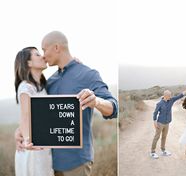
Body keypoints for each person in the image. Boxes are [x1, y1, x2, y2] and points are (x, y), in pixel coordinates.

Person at [15, 31, 118, 176]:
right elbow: (36, 114)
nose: (43, 55)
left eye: (44, 50)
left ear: (56, 47)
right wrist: (19, 131)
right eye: (40, 53)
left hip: (76, 163)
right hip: (50, 163)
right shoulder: (50, 82)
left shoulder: (88, 74)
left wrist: (96, 101)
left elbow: (113, 107)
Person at [14, 47, 54, 175]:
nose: (43, 57)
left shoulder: (42, 87)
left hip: (44, 146)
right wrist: (26, 139)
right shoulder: (26, 87)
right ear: (28, 63)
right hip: (32, 147)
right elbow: (25, 115)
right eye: (37, 55)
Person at [150, 87, 186, 159]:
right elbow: (155, 113)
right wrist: (154, 121)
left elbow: (180, 95)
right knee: (157, 137)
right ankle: (152, 152)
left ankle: (163, 150)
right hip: (160, 123)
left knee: (164, 137)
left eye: (171, 95)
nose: (171, 96)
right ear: (165, 96)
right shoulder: (159, 104)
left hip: (167, 122)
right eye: (169, 95)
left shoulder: (171, 100)